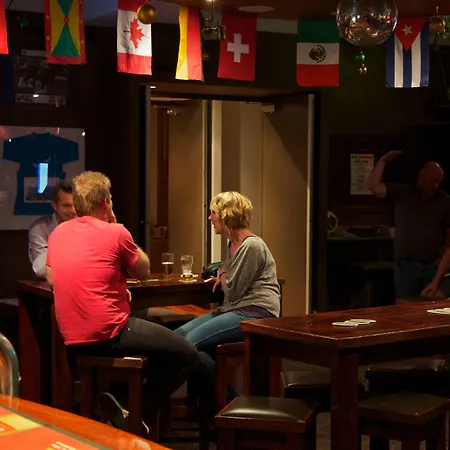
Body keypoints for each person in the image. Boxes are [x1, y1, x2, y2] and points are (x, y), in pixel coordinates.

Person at [46, 171, 201, 433]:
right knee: (188, 354)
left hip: (71, 339)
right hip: (110, 333)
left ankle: (117, 404)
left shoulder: (58, 233)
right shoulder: (115, 232)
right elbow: (143, 270)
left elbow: (52, 279)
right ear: (105, 203)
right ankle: (135, 413)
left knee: (157, 343)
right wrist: (116, 224)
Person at [175, 191, 280, 412]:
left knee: (186, 346)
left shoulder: (252, 246)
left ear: (226, 215)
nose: (210, 218)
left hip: (256, 312)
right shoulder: (232, 244)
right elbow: (232, 283)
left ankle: (232, 399)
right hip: (236, 308)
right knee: (178, 337)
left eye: (213, 212)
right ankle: (216, 401)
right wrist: (223, 276)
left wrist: (222, 273)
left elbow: (232, 291)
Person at [366, 151, 450, 298]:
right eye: (433, 181)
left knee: (429, 306)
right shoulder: (403, 193)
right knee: (404, 305)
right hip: (405, 267)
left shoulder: (444, 200)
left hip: (431, 266)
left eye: (438, 182)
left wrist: (440, 262)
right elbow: (374, 186)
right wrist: (382, 162)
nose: (435, 186)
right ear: (422, 176)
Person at [28, 179, 76, 278]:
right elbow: (41, 269)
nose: (73, 211)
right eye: (67, 205)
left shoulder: (89, 226)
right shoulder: (40, 229)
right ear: (54, 205)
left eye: (76, 205)